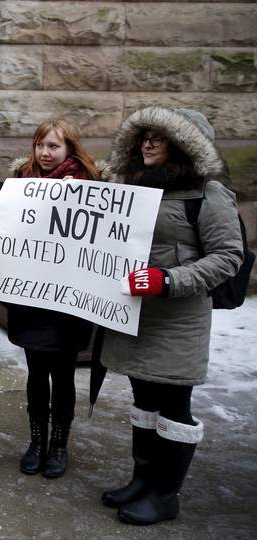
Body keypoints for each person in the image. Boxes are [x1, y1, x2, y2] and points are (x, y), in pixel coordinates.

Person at [101, 106, 243, 525]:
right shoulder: (133, 188)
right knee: (143, 401)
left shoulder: (208, 193)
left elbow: (228, 257)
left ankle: (165, 495)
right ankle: (142, 481)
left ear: (182, 145)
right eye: (143, 136)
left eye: (158, 137)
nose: (147, 143)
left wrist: (167, 280)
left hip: (178, 319)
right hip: (136, 314)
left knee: (173, 404)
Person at [0, 118, 103, 479]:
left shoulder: (92, 186)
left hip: (67, 300)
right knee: (37, 370)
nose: (45, 153)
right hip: (31, 297)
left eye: (53, 146)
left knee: (63, 373)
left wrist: (78, 201)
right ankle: (37, 441)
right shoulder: (21, 182)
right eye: (40, 145)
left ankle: (60, 444)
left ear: (70, 149)